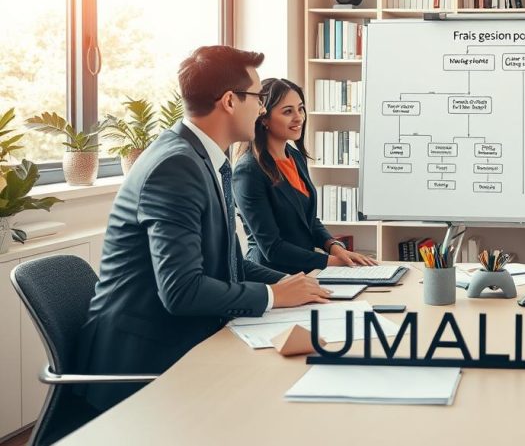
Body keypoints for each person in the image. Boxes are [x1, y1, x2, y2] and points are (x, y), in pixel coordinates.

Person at [76, 46, 332, 412]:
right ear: (230, 100)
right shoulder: (175, 168)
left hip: (185, 338)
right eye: (259, 97)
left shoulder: (202, 158)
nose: (262, 109)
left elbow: (230, 262)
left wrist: (295, 286)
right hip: (145, 361)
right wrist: (274, 296)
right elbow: (181, 291)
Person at [233, 78, 377, 273]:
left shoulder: (295, 157)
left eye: (300, 109)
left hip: (307, 272)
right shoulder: (248, 171)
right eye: (288, 111)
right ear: (264, 118)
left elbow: (308, 220)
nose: (299, 117)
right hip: (273, 278)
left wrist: (334, 247)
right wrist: (332, 263)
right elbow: (272, 248)